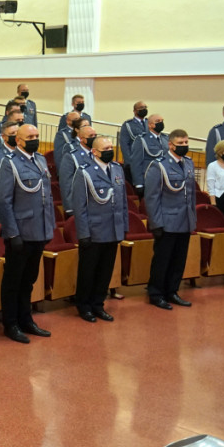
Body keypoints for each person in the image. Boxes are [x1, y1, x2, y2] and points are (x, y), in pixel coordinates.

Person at [0, 125, 55, 343]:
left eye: (36, 136)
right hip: (20, 233)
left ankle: (26, 319)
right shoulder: (9, 163)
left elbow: (46, 198)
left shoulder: (39, 160)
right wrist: (12, 233)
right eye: (30, 137)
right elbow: (3, 200)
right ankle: (10, 323)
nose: (35, 140)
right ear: (18, 141)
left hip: (39, 230)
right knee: (13, 280)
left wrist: (49, 228)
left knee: (29, 279)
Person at [71, 136, 129, 322]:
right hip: (94, 231)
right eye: (105, 148)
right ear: (94, 152)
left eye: (111, 147)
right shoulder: (84, 172)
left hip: (113, 230)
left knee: (105, 271)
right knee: (88, 271)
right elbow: (79, 207)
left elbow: (123, 203)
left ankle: (98, 304)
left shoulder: (117, 169)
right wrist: (83, 234)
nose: (110, 150)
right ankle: (84, 306)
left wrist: (124, 227)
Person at [144, 129, 196, 310]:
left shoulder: (189, 164)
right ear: (170, 145)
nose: (184, 146)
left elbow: (191, 195)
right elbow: (151, 197)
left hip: (184, 220)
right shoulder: (158, 166)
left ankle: (172, 291)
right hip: (166, 221)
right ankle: (156, 293)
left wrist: (192, 219)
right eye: (180, 143)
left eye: (186, 143)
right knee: (162, 260)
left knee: (178, 260)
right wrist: (156, 223)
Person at [205, 140, 224, 215]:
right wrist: (213, 203)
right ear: (220, 152)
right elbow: (211, 186)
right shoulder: (212, 166)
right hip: (219, 197)